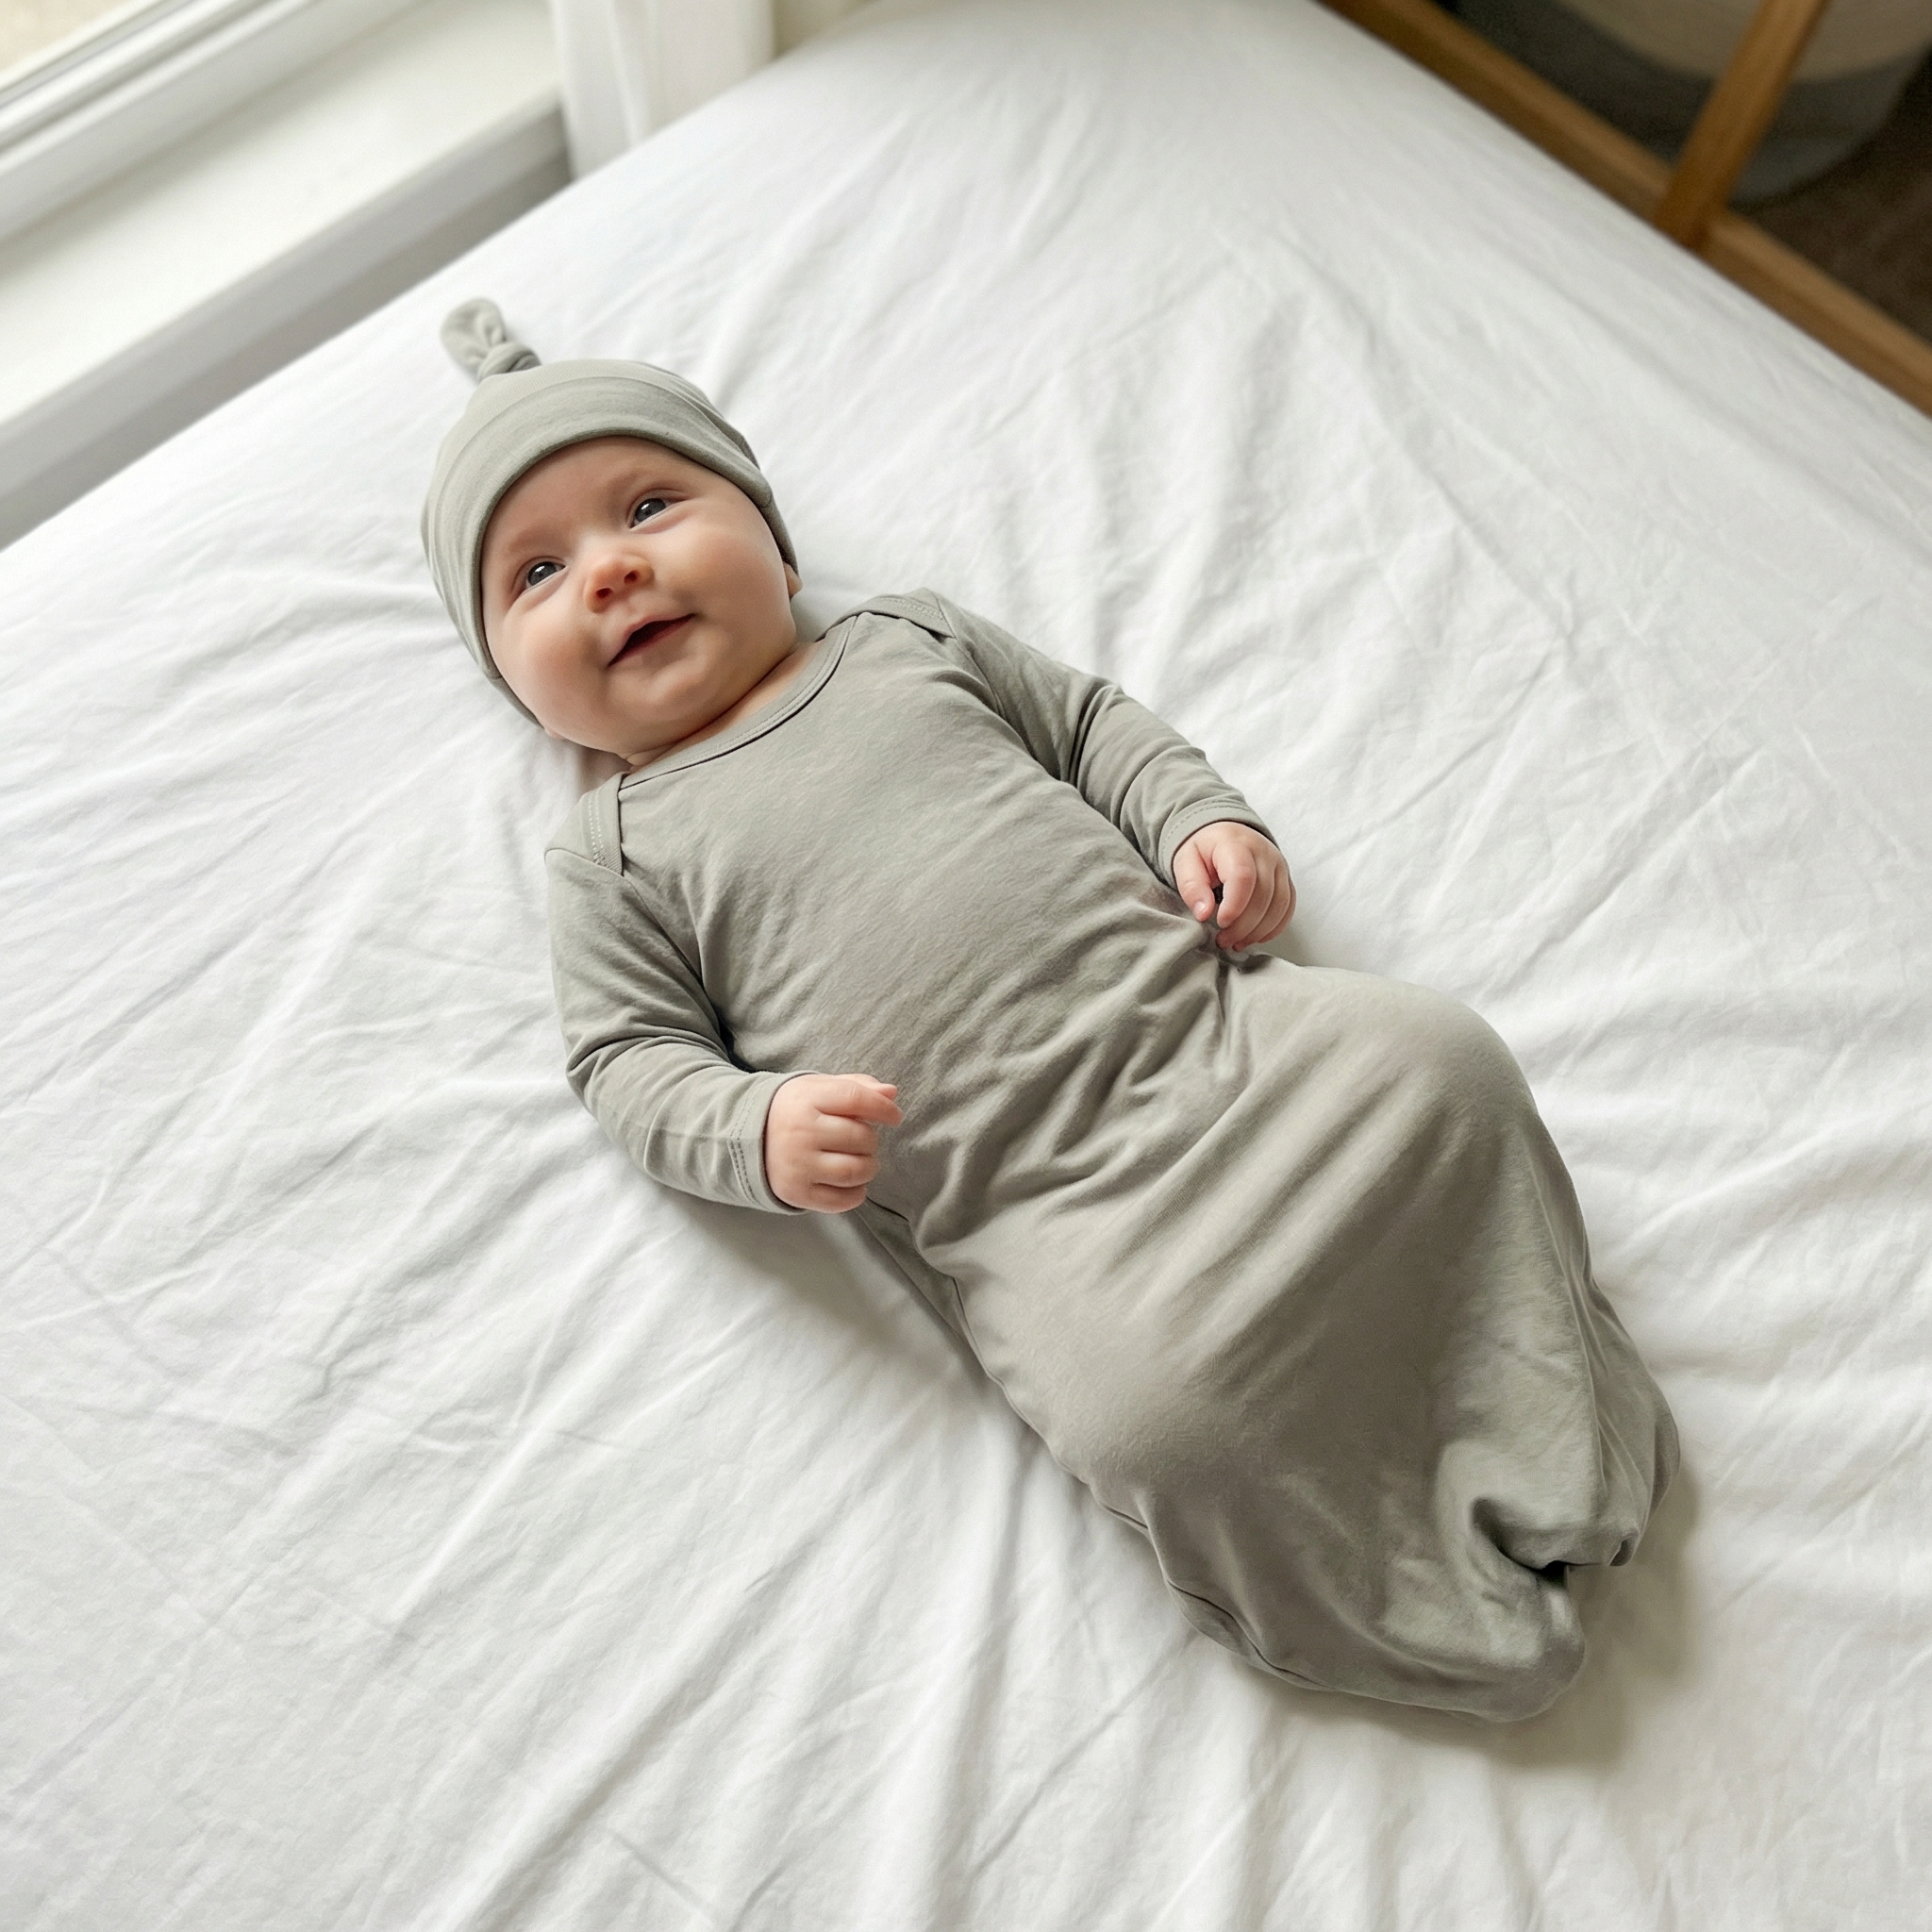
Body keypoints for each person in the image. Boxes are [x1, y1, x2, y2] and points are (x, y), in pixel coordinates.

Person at [423, 299, 1677, 1721]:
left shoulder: (905, 639)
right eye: (537, 574)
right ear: (519, 692)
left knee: (1442, 1064)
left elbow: (1090, 728)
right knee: (1158, 1417)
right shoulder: (617, 852)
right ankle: (1409, 1599)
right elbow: (623, 1059)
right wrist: (750, 1127)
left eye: (651, 504)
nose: (612, 568)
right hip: (1040, 1217)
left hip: (1226, 1045)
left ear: (773, 539)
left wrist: (1200, 821)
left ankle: (1559, 1438)